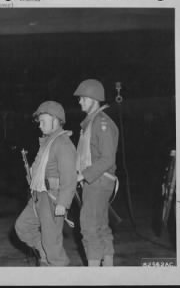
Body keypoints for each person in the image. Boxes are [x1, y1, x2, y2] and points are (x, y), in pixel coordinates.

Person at [15, 101, 77, 266]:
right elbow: (40, 169)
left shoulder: (63, 143)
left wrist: (63, 203)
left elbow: (69, 177)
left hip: (52, 199)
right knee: (22, 227)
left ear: (55, 120)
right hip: (38, 196)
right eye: (39, 122)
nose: (40, 126)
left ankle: (57, 268)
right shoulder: (47, 142)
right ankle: (45, 255)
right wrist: (32, 177)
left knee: (52, 243)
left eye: (43, 121)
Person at [73, 79, 119, 266]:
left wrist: (83, 175)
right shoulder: (91, 123)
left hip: (98, 181)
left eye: (83, 98)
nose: (80, 102)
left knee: (89, 227)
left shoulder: (102, 124)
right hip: (95, 181)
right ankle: (107, 269)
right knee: (100, 227)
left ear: (93, 99)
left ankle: (94, 275)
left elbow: (107, 158)